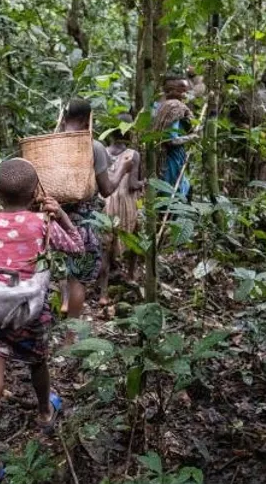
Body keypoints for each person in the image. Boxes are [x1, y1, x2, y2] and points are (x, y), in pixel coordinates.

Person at [0, 158, 84, 484]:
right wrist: (62, 214)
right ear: (35, 193)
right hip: (28, 313)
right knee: (38, 362)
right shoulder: (43, 223)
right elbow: (76, 247)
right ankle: (44, 412)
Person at [57, 98, 133, 324]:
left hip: (52, 217)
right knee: (77, 277)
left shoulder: (50, 143)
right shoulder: (94, 147)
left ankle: (61, 306)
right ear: (86, 119)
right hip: (80, 220)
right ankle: (71, 336)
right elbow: (107, 189)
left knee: (58, 267)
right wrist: (122, 168)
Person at [99, 115, 145, 306]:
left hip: (104, 201)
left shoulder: (102, 151)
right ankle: (131, 274)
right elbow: (133, 184)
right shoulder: (133, 155)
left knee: (105, 247)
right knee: (134, 236)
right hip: (125, 202)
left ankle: (102, 292)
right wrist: (146, 182)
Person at [154, 73, 199, 200]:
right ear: (171, 90)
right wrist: (192, 137)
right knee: (170, 192)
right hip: (169, 158)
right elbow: (170, 140)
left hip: (161, 157)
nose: (185, 95)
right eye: (182, 91)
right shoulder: (173, 107)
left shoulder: (155, 106)